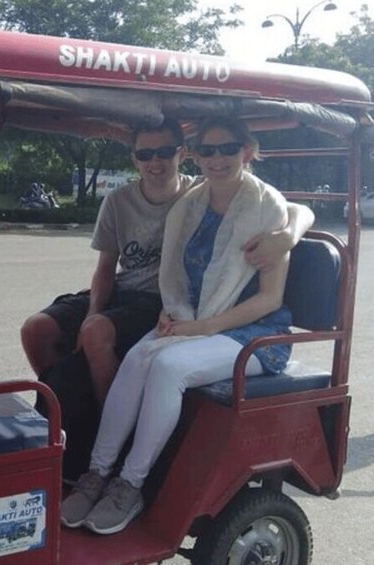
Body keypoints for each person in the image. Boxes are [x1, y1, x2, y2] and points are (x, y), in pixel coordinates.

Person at [61, 116, 294, 535]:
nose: (217, 159)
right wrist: (178, 312)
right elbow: (177, 276)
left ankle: (131, 485)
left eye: (228, 149)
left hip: (254, 332)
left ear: (247, 150)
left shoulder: (268, 209)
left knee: (167, 367)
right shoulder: (190, 203)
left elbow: (269, 299)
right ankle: (97, 473)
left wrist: (204, 327)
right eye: (208, 150)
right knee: (136, 359)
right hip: (195, 317)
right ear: (195, 155)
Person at [21, 118, 311, 407]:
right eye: (145, 155)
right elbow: (106, 268)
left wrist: (288, 235)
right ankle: (65, 407)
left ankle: (100, 422)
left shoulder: (200, 192)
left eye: (164, 153)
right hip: (123, 294)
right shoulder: (118, 201)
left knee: (95, 331)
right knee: (37, 329)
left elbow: (294, 208)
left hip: (162, 301)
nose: (155, 162)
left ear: (182, 154)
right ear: (134, 159)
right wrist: (92, 311)